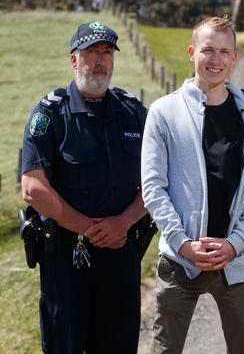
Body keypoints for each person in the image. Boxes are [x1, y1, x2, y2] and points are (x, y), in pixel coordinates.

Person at [141, 16, 244, 354]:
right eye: (207, 50)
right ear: (192, 53)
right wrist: (182, 243)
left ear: (234, 57)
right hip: (180, 259)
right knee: (164, 349)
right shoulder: (163, 112)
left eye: (223, 52)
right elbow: (153, 186)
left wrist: (236, 243)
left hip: (237, 259)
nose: (215, 60)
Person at [21, 21, 147, 353]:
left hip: (121, 253)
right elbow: (33, 188)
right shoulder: (50, 114)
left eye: (107, 53)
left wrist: (123, 223)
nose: (100, 61)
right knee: (66, 345)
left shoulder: (134, 113)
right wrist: (89, 228)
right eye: (91, 52)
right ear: (74, 60)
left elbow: (157, 179)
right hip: (66, 257)